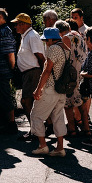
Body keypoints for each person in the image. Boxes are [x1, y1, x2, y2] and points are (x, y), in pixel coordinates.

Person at [29, 27, 69, 157]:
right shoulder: (65, 49)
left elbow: (47, 70)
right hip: (62, 89)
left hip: (51, 88)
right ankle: (60, 147)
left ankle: (42, 145)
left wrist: (38, 89)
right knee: (58, 117)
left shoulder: (53, 49)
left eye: (46, 40)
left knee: (36, 115)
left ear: (51, 39)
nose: (46, 43)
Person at [12, 13, 45, 127]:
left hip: (33, 73)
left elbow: (40, 57)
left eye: (17, 24)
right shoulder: (27, 36)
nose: (15, 27)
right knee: (31, 102)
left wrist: (43, 74)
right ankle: (40, 127)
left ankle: (36, 129)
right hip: (29, 73)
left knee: (27, 102)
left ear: (23, 24)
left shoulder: (31, 36)